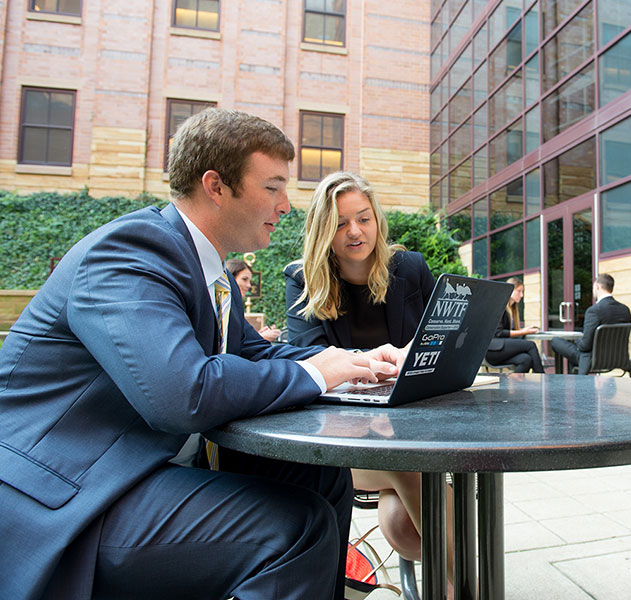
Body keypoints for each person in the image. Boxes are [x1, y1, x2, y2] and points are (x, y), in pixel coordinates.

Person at [0, 108, 404, 600]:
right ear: (216, 186)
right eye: (273, 187)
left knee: (322, 476)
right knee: (295, 528)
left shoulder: (202, 267)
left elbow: (258, 352)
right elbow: (179, 392)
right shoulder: (131, 251)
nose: (286, 204)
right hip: (69, 493)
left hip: (135, 468)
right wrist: (318, 373)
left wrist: (361, 364)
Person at [284, 171, 442, 571]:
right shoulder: (303, 278)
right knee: (407, 470)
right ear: (323, 231)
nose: (355, 231)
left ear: (377, 220)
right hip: (342, 437)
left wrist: (418, 355)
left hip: (414, 426)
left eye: (364, 218)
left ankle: (450, 580)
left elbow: (434, 343)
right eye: (339, 223)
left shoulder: (410, 268)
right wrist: (375, 360)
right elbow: (308, 358)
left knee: (402, 527)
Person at [551, 273, 631, 374]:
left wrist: (577, 342)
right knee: (575, 355)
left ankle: (567, 381)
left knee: (555, 341)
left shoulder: (594, 310)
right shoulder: (625, 310)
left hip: (594, 359)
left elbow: (585, 345)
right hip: (618, 359)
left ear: (597, 286)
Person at [484, 276, 544, 373]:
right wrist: (523, 331)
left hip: (502, 349)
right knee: (530, 345)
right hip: (493, 350)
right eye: (519, 291)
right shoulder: (500, 305)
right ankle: (544, 380)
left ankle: (510, 386)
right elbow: (499, 333)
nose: (522, 295)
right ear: (511, 290)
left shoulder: (513, 309)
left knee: (526, 359)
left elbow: (512, 332)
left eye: (522, 292)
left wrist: (523, 330)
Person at [225, 257, 282, 342]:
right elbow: (229, 342)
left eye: (250, 281)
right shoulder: (224, 307)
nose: (249, 285)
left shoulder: (235, 307)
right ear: (230, 277)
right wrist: (261, 337)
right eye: (244, 279)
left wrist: (256, 335)